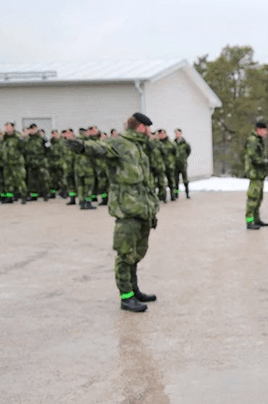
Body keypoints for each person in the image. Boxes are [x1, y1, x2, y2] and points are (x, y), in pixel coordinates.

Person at [67, 113, 160, 313]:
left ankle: (134, 290)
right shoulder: (120, 143)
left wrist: (152, 210)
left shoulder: (140, 147)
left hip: (142, 207)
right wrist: (83, 147)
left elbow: (146, 182)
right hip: (126, 208)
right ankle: (126, 297)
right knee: (125, 252)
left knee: (137, 251)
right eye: (149, 128)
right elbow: (101, 148)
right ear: (142, 127)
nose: (151, 132)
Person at [243, 121, 268, 229]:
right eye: (265, 130)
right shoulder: (253, 141)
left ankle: (256, 219)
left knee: (258, 198)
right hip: (255, 174)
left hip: (259, 174)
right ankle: (249, 221)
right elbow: (254, 158)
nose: (266, 133)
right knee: (252, 198)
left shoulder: (259, 141)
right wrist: (265, 162)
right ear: (258, 130)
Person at [174, 128, 191, 198]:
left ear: (181, 134)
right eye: (176, 133)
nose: (177, 135)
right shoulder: (173, 143)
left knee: (185, 180)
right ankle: (176, 193)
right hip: (175, 165)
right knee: (176, 181)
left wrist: (184, 158)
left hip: (183, 165)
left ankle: (187, 193)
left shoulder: (185, 143)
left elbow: (188, 151)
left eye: (179, 133)